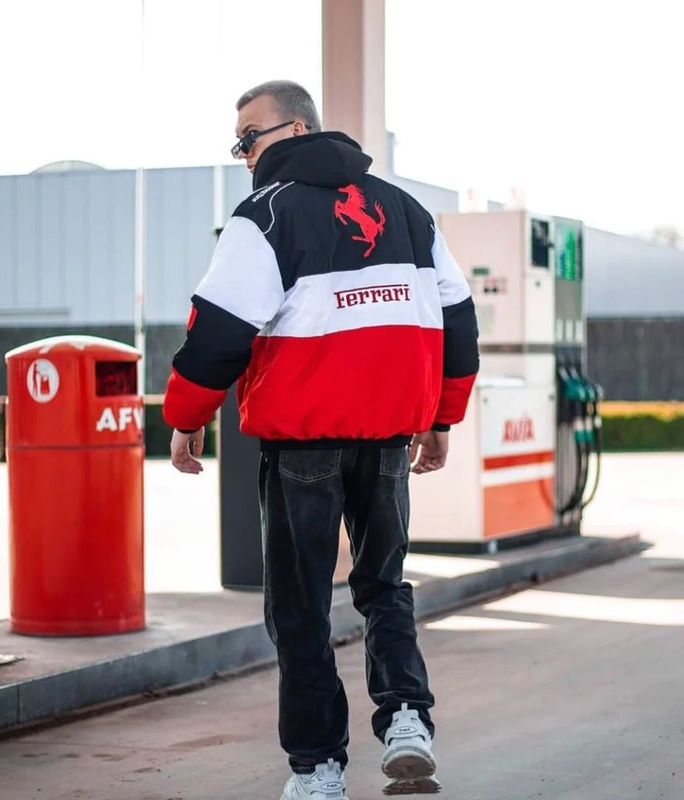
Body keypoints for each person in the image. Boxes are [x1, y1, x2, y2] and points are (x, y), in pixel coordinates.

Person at [162, 80, 479, 800]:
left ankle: (317, 769)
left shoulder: (263, 216)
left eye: (250, 137)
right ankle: (405, 717)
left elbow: (217, 330)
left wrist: (185, 415)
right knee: (383, 586)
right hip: (388, 439)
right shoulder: (406, 210)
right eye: (237, 143)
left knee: (300, 605)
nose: (243, 154)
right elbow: (457, 320)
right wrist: (441, 416)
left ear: (297, 129)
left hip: (305, 442)